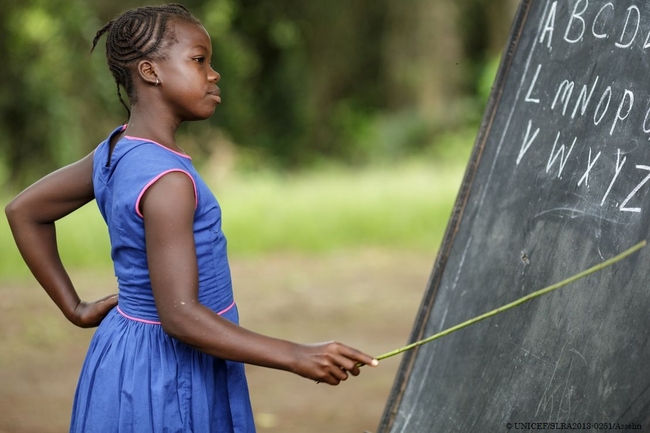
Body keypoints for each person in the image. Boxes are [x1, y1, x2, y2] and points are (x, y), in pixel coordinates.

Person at [4, 4, 378, 432]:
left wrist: (76, 308)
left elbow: (25, 210)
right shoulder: (169, 180)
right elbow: (179, 316)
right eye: (199, 60)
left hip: (125, 357)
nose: (215, 74)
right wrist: (296, 355)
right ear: (150, 71)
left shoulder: (115, 150)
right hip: (168, 376)